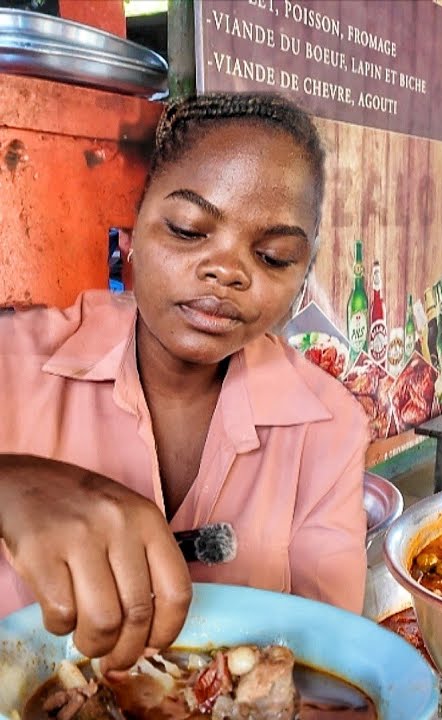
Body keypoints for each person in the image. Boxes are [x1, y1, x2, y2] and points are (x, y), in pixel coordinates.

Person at [0, 92, 370, 672]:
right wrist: (11, 483)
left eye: (273, 256)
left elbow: (333, 660)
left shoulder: (329, 428)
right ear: (130, 237)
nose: (228, 271)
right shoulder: (14, 364)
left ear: (303, 279)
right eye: (189, 229)